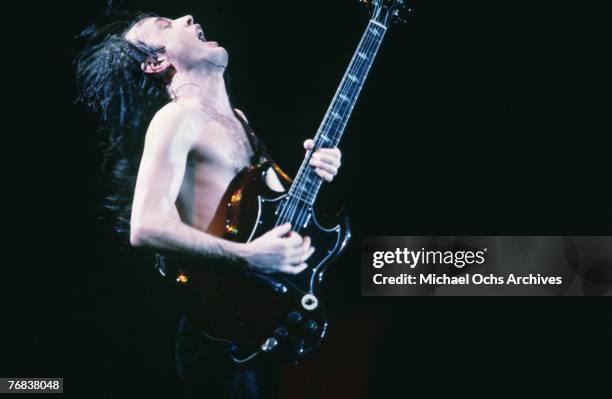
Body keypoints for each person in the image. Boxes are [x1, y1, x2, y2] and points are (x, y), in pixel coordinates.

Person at [76, 12, 342, 399]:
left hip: (261, 320)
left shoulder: (238, 119)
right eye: (167, 25)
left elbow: (271, 213)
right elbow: (146, 225)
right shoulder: (175, 119)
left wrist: (315, 172)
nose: (187, 16)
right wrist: (248, 256)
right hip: (218, 336)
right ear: (156, 63)